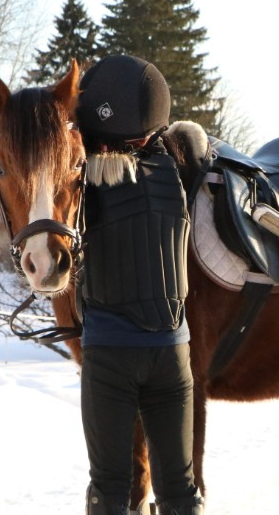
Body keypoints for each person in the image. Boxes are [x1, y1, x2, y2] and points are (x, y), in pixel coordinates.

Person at [75, 54, 204, 515]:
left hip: (110, 356)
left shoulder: (84, 177)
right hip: (174, 354)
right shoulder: (179, 167)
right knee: (181, 493)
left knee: (109, 490)